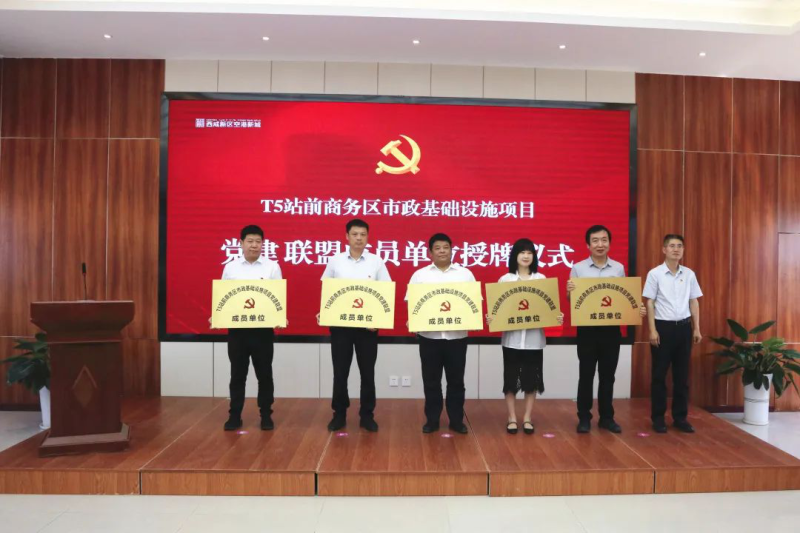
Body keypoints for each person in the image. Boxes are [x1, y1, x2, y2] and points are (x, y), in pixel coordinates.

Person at [567, 224, 646, 434]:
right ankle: (584, 418)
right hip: (587, 329)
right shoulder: (578, 268)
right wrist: (569, 292)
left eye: (604, 240)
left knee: (608, 375)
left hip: (611, 329)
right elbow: (572, 301)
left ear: (609, 243)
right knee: (586, 374)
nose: (600, 244)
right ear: (588, 245)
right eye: (595, 241)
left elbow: (623, 297)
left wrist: (636, 308)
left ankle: (607, 417)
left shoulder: (618, 268)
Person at [319, 219, 391, 432]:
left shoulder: (376, 262)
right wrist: (324, 311)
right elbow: (327, 290)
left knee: (367, 373)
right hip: (340, 327)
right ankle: (339, 414)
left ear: (368, 237)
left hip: (367, 328)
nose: (359, 238)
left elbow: (385, 292)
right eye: (355, 234)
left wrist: (378, 320)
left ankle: (367, 415)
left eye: (363, 234)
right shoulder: (335, 261)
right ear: (347, 237)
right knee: (340, 372)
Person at [486, 238, 564, 435]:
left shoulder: (541, 279)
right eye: (522, 252)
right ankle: (512, 418)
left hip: (534, 340)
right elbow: (498, 308)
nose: (526, 256)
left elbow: (549, 308)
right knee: (510, 381)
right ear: (515, 255)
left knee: (531, 382)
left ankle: (527, 418)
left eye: (530, 252)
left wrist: (556, 316)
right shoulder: (505, 280)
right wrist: (491, 317)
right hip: (511, 340)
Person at [407, 233, 476, 434]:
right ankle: (432, 420)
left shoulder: (465, 274)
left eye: (446, 247)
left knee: (456, 381)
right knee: (431, 381)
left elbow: (474, 303)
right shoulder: (420, 275)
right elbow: (412, 303)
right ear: (430, 252)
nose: (442, 251)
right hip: (429, 338)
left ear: (451, 250)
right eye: (437, 248)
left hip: (457, 337)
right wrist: (412, 319)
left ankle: (456, 420)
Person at [221, 225, 283, 431]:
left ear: (263, 244)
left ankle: (266, 415)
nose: (254, 245)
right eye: (250, 241)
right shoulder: (231, 268)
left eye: (258, 241)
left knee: (264, 374)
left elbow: (278, 297)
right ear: (241, 243)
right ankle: (234, 415)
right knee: (237, 375)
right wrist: (218, 314)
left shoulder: (272, 267)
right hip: (237, 330)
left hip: (262, 331)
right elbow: (223, 297)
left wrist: (278, 317)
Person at [643, 234, 703, 434]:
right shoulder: (655, 274)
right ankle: (658, 418)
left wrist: (696, 328)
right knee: (659, 376)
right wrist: (652, 330)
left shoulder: (689, 274)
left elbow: (694, 301)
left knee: (682, 376)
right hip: (663, 328)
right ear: (664, 249)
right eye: (672, 246)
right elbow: (650, 302)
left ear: (683, 250)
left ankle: (680, 417)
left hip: (684, 328)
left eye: (679, 246)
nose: (676, 249)